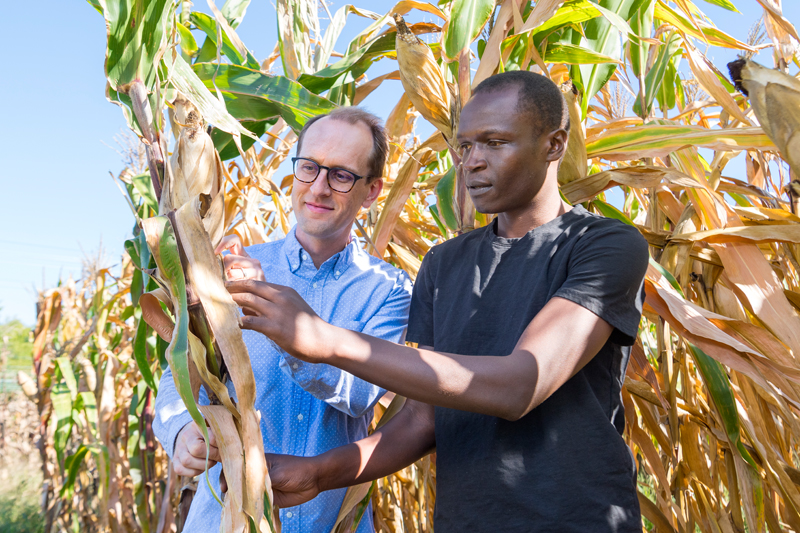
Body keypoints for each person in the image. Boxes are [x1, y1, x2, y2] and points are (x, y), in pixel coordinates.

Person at [226, 71, 650, 532]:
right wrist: (320, 473)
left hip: (578, 520)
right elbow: (420, 420)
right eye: (464, 147)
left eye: (494, 142)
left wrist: (322, 340)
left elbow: (520, 385)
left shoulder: (605, 245)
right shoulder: (444, 265)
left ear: (554, 144)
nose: (472, 163)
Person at [152, 106, 413, 533]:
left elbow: (360, 394)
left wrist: (289, 334)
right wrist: (180, 429)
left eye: (341, 175)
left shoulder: (388, 290)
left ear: (371, 192)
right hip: (224, 519)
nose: (319, 187)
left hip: (330, 521)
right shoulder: (231, 268)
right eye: (308, 167)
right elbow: (181, 370)